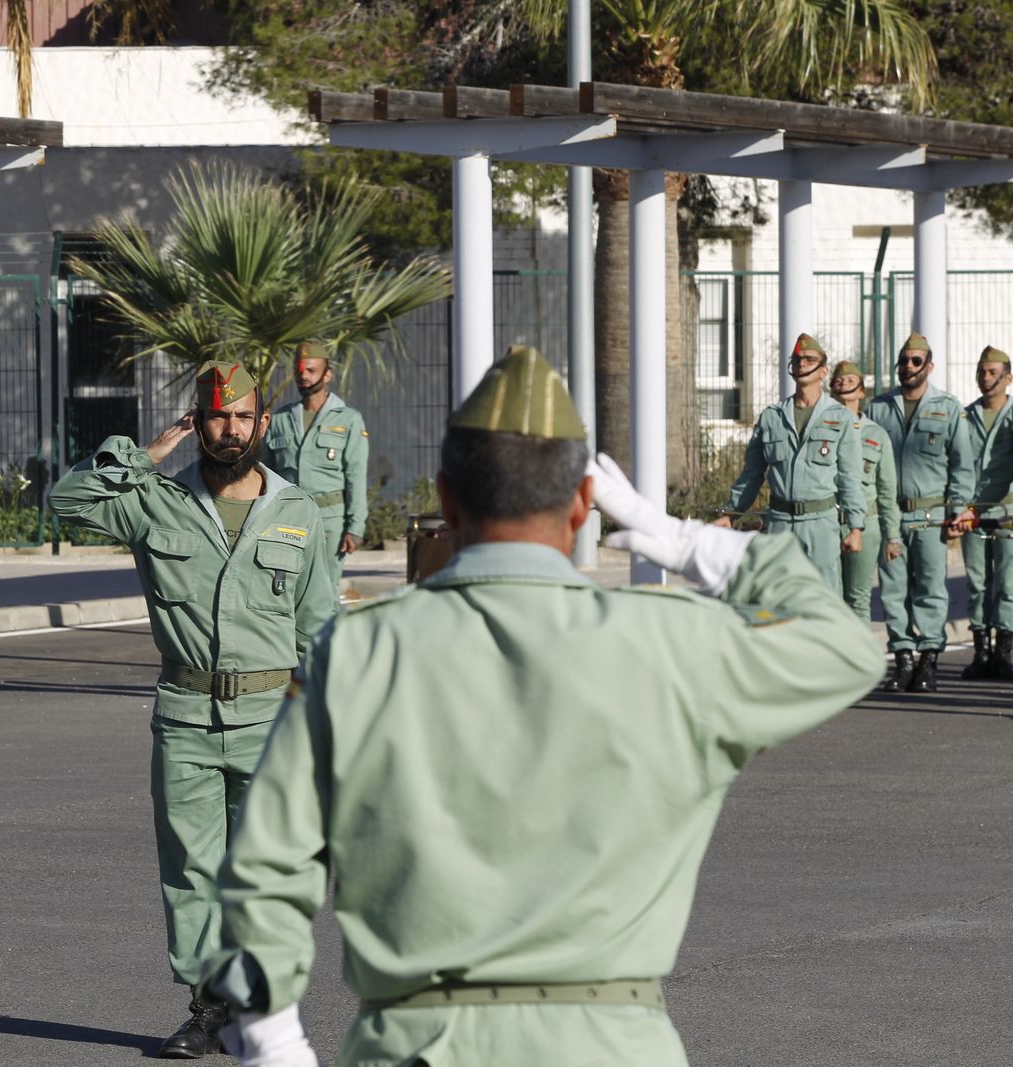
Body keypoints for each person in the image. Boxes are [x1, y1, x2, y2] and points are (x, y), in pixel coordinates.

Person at [200, 347, 884, 1067]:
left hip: (415, 1042)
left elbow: (265, 866)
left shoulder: (358, 652)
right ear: (584, 505)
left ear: (448, 499)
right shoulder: (670, 643)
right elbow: (845, 644)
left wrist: (274, 1045)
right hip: (614, 1044)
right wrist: (683, 538)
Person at [49, 360, 335, 1059]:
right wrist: (142, 455)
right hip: (186, 714)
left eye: (242, 416)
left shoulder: (299, 513)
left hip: (272, 716)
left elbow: (321, 628)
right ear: (196, 423)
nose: (230, 429)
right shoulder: (155, 500)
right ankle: (210, 1007)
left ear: (262, 423)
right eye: (216, 416)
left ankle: (262, 1004)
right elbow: (66, 499)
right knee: (192, 872)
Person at [715, 333, 865, 592]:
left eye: (809, 359)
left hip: (821, 522)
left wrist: (855, 526)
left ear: (823, 371)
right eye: (797, 360)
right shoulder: (772, 417)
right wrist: (731, 513)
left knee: (824, 599)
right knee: (778, 596)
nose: (802, 364)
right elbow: (752, 474)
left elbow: (850, 477)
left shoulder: (839, 418)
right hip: (780, 522)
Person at [868, 333, 974, 694]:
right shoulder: (879, 409)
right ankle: (903, 659)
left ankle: (929, 659)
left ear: (930, 366)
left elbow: (962, 465)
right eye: (903, 361)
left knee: (930, 588)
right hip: (890, 516)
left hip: (930, 516)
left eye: (916, 361)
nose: (908, 367)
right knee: (893, 591)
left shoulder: (947, 407)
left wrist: (958, 510)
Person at [263, 341, 369, 598]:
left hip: (330, 521)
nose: (304, 376)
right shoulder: (280, 419)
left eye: (311, 370)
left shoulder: (348, 419)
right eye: (299, 371)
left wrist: (355, 527)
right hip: (289, 518)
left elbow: (356, 475)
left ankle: (327, 640)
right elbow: (266, 474)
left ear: (328, 374)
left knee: (324, 593)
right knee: (287, 592)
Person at [954, 346, 1013, 679]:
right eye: (982, 372)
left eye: (992, 372)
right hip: (972, 511)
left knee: (1008, 584)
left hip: (1008, 511)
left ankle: (1004, 654)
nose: (986, 378)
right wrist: (960, 508)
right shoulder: (966, 416)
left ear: (1008, 377)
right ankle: (982, 653)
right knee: (977, 583)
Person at [829, 361, 900, 621]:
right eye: (838, 381)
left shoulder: (877, 435)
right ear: (831, 391)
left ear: (861, 391)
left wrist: (893, 536)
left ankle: (859, 661)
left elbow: (887, 490)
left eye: (850, 380)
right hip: (828, 521)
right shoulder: (824, 430)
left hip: (866, 524)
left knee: (858, 599)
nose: (844, 384)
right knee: (830, 597)